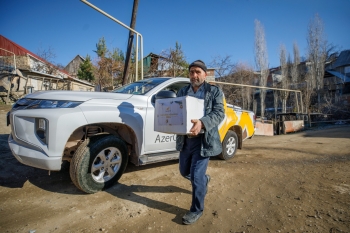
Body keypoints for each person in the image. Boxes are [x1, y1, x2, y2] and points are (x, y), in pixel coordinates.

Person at [176, 60, 225, 225]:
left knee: (196, 176)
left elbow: (219, 113)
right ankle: (204, 180)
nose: (194, 75)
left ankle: (196, 210)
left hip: (204, 140)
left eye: (197, 72)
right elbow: (177, 112)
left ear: (205, 74)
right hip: (186, 139)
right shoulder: (183, 91)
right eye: (191, 72)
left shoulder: (214, 91)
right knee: (184, 172)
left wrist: (202, 123)